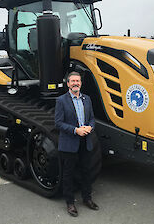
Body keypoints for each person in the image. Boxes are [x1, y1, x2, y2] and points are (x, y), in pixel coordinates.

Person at [55, 71, 99, 217]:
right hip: (70, 143)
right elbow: (58, 123)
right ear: (68, 84)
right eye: (72, 81)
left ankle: (87, 198)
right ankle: (70, 203)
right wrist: (75, 130)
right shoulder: (61, 101)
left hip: (85, 142)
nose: (75, 83)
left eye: (77, 81)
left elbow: (92, 118)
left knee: (86, 171)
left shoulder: (87, 99)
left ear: (81, 83)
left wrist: (89, 127)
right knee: (68, 174)